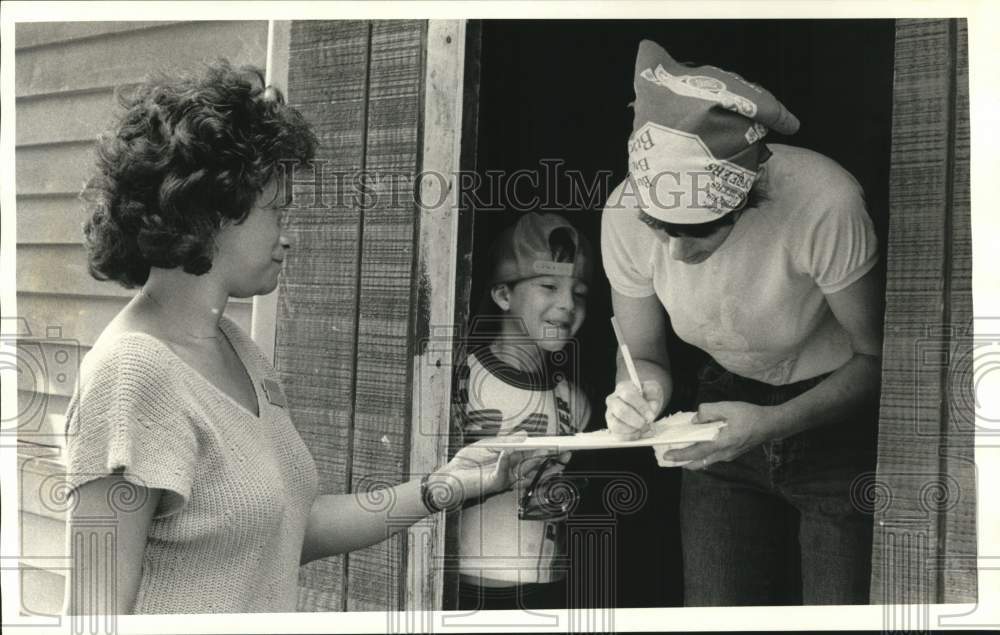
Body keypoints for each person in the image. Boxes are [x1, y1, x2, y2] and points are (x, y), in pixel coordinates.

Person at [63, 61, 528, 615]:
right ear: (209, 212)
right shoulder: (129, 375)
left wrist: (444, 486)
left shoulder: (238, 348)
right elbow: (92, 615)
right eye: (276, 212)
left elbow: (290, 528)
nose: (288, 236)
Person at [602, 41, 883, 606]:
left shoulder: (823, 201)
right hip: (721, 411)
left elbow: (879, 359)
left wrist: (774, 423)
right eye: (661, 227)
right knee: (714, 608)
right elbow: (644, 355)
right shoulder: (622, 212)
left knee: (840, 609)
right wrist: (638, 393)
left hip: (833, 414)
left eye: (700, 230)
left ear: (749, 195)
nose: (677, 256)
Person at [455, 213, 593, 610]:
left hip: (543, 588)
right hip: (458, 585)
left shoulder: (575, 403)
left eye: (579, 292)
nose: (566, 304)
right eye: (548, 285)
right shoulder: (458, 380)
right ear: (502, 295)